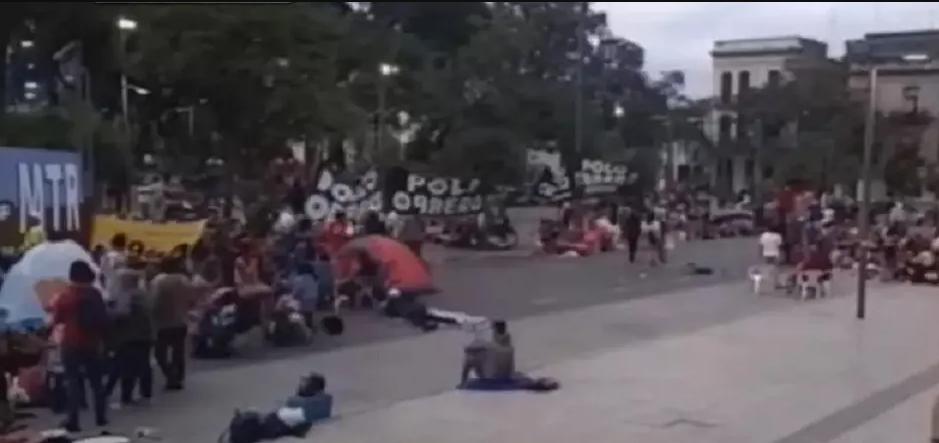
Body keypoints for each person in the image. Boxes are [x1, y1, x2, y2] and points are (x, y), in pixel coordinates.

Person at [53, 260, 109, 432]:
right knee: (96, 382)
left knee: (73, 382)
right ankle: (101, 417)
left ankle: (73, 420)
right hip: (92, 344)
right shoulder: (95, 294)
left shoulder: (66, 296)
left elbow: (58, 319)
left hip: (71, 344)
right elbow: (104, 319)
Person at [106, 269, 153, 406]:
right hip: (145, 335)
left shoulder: (127, 294)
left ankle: (126, 396)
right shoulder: (144, 294)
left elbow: (123, 313)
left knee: (127, 367)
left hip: (129, 336)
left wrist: (108, 312)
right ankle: (146, 392)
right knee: (143, 364)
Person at [151, 258, 192, 391]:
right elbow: (191, 298)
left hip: (164, 322)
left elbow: (155, 302)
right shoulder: (184, 280)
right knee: (178, 351)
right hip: (181, 320)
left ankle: (171, 376)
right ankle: (178, 377)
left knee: (160, 353)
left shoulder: (160, 282)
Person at [290, 262, 319, 329]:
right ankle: (309, 325)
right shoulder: (314, 278)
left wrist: (293, 296)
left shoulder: (299, 278)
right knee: (309, 314)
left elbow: (297, 292)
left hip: (303, 301)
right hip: (314, 299)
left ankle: (297, 324)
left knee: (288, 301)